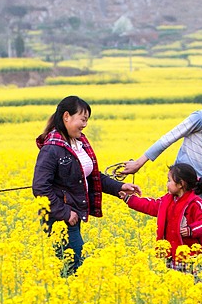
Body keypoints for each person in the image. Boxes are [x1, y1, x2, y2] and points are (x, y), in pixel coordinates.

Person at [33, 95, 140, 275]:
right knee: (76, 267)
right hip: (60, 217)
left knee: (71, 266)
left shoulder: (78, 143)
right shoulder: (52, 148)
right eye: (82, 119)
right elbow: (40, 187)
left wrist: (119, 187)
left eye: (87, 120)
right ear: (66, 116)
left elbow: (92, 177)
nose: (85, 125)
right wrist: (65, 212)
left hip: (72, 213)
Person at [121, 73, 202, 208]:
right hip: (184, 180)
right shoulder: (201, 118)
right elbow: (168, 138)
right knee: (178, 220)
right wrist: (138, 163)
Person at [121, 162, 202, 274]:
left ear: (181, 184)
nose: (167, 184)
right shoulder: (167, 201)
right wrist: (129, 199)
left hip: (192, 257)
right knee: (175, 287)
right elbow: (150, 205)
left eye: (169, 180)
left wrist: (191, 230)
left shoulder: (194, 203)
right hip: (172, 255)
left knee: (192, 287)